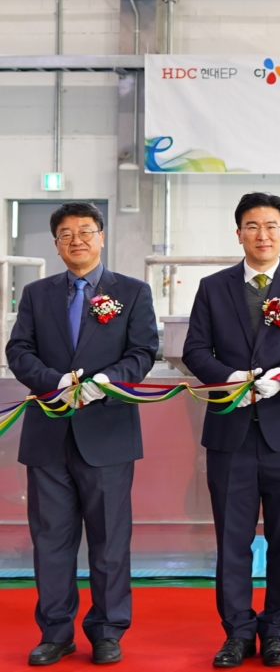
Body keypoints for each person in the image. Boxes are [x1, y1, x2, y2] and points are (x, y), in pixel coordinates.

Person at [182, 192, 280, 668]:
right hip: (231, 431)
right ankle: (237, 632)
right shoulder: (213, 287)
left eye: (270, 226)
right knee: (232, 538)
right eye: (252, 226)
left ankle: (276, 632)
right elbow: (195, 349)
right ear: (239, 233)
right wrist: (228, 378)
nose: (262, 235)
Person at [7, 202, 157, 666]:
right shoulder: (36, 293)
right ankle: (56, 632)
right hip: (49, 433)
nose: (77, 240)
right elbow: (19, 349)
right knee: (51, 540)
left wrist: (106, 382)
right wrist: (53, 382)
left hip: (107, 432)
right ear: (56, 244)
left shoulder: (132, 292)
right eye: (67, 234)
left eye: (86, 231)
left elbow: (143, 351)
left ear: (101, 237)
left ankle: (108, 631)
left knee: (110, 541)